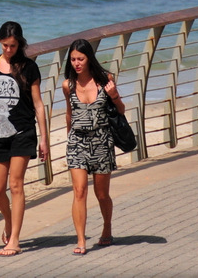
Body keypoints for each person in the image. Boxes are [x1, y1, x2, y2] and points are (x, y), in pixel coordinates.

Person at [0, 21, 49, 257]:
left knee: (16, 185)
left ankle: (14, 240)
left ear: (20, 44)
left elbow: (38, 105)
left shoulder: (29, 68)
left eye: (13, 46)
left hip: (23, 132)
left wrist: (43, 138)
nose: (8, 50)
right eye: (5, 45)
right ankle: (9, 222)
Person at [62, 39, 124, 255]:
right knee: (79, 191)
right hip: (77, 141)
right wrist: (69, 140)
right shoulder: (68, 85)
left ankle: (107, 227)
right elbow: (69, 115)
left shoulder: (105, 81)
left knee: (102, 194)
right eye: (73, 59)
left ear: (89, 59)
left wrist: (114, 95)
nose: (76, 63)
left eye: (81, 59)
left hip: (101, 141)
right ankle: (81, 240)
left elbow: (121, 110)